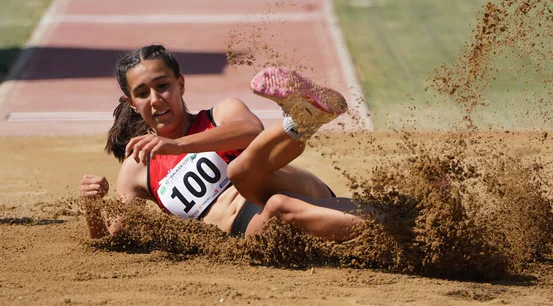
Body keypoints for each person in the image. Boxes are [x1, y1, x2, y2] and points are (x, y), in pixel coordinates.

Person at [81, 45, 367, 241]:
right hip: (251, 228)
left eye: (162, 86)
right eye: (143, 93)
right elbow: (114, 240)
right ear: (132, 103)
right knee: (279, 205)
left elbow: (251, 130)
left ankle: (303, 119)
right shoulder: (138, 166)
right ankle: (399, 228)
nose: (156, 99)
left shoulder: (221, 113)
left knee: (241, 171)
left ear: (180, 84)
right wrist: (92, 207)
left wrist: (179, 146)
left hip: (292, 185)